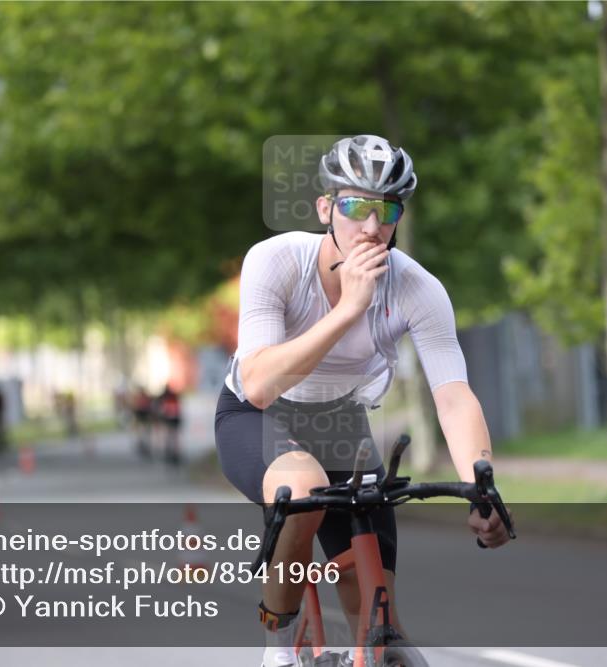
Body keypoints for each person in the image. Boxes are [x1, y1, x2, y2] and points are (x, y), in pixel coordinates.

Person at [214, 134, 511, 666]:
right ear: (325, 207)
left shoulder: (417, 288)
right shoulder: (277, 261)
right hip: (257, 415)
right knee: (303, 486)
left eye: (387, 208)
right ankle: (277, 650)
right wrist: (348, 309)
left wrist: (480, 484)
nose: (372, 226)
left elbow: (453, 395)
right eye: (355, 206)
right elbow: (259, 383)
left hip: (340, 423)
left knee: (377, 623)